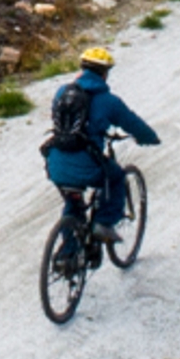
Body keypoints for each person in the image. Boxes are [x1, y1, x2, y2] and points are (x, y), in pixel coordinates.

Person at [41, 46, 159, 233]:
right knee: (116, 177)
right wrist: (149, 137)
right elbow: (132, 123)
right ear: (105, 73)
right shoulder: (109, 101)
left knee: (73, 205)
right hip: (87, 165)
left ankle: (68, 255)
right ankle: (104, 223)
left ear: (82, 69)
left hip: (55, 163)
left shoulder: (62, 92)